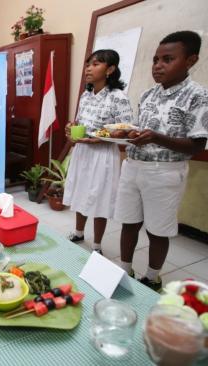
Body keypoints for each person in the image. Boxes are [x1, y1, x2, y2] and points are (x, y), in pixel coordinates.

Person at [115, 31, 208, 292]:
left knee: (158, 230)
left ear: (190, 60)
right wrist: (126, 133)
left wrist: (155, 138)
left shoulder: (198, 97)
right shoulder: (149, 94)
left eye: (167, 59)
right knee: (128, 222)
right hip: (133, 166)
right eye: (155, 59)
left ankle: (152, 277)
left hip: (164, 172)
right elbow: (141, 128)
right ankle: (124, 269)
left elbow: (198, 145)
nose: (158, 66)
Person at [63, 49, 133, 255]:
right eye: (88, 65)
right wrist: (71, 128)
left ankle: (97, 245)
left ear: (110, 69)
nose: (88, 69)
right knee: (80, 191)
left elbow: (128, 129)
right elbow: (79, 122)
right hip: (82, 151)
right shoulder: (86, 95)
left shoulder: (118, 97)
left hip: (103, 155)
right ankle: (78, 232)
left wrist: (99, 138)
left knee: (100, 197)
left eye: (95, 64)